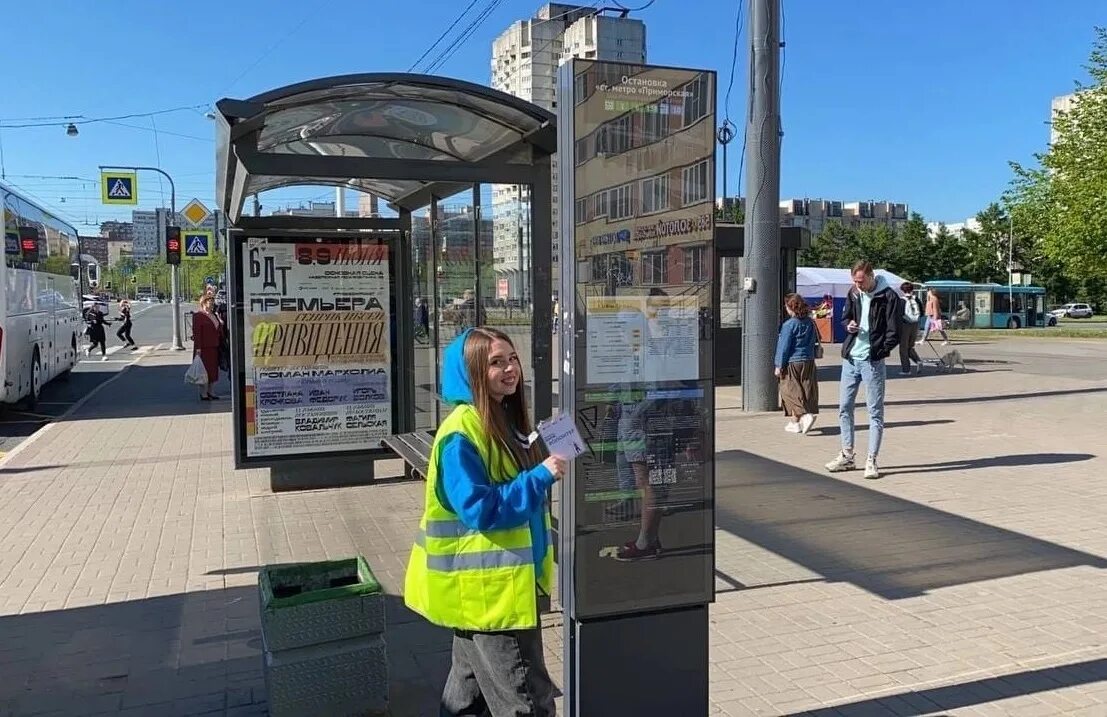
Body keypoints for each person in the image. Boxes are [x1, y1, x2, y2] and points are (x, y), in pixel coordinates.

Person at [404, 327, 564, 716]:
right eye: (496, 362)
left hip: (488, 594)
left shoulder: (501, 419)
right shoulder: (461, 434)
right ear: (471, 370)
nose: (510, 369)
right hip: (492, 597)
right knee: (526, 702)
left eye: (512, 359)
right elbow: (481, 510)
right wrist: (542, 474)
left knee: (467, 699)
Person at [825, 261, 902, 480]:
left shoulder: (888, 297)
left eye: (861, 281)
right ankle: (847, 454)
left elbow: (894, 331)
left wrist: (879, 352)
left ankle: (872, 459)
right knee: (844, 407)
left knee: (874, 411)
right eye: (854, 281)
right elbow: (845, 317)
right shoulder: (853, 293)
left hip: (872, 360)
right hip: (851, 359)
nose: (858, 285)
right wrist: (848, 324)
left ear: (871, 276)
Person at [774, 293, 819, 434]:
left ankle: (805, 415)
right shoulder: (810, 322)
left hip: (793, 361)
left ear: (790, 307)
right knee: (804, 390)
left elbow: (784, 347)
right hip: (808, 360)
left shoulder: (789, 325)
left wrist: (779, 365)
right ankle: (795, 423)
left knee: (789, 390)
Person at [192, 295, 222, 400]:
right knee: (203, 371)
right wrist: (198, 349)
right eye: (210, 302)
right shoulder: (198, 316)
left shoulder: (214, 315)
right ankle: (203, 393)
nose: (212, 305)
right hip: (203, 348)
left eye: (213, 303)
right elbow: (197, 333)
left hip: (214, 346)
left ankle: (211, 391)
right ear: (204, 303)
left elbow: (218, 329)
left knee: (213, 370)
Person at [898, 282, 924, 375]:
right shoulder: (916, 299)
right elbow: (922, 312)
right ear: (912, 289)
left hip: (905, 325)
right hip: (915, 324)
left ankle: (906, 369)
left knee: (903, 348)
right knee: (910, 346)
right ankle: (918, 361)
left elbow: (899, 314)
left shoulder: (902, 300)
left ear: (903, 290)